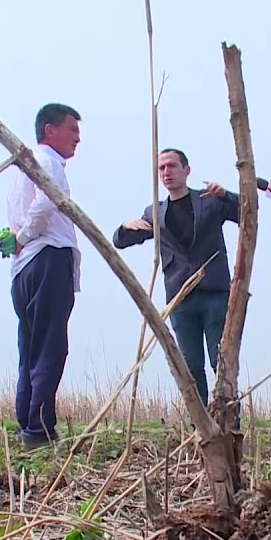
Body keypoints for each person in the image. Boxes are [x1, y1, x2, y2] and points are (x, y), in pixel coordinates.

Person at [112, 148, 240, 412]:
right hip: (180, 298)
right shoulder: (155, 212)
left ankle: (230, 421)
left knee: (222, 361)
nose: (166, 172)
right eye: (161, 169)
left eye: (171, 166)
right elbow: (121, 241)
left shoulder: (210, 201)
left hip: (215, 292)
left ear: (186, 170)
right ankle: (200, 425)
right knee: (190, 366)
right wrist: (125, 228)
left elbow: (248, 211)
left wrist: (226, 195)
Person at [5, 103, 84, 451]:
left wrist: (19, 239)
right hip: (47, 258)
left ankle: (28, 424)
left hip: (24, 269)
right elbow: (49, 200)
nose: (78, 138)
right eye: (72, 129)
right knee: (51, 347)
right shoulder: (47, 161)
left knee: (31, 348)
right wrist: (23, 238)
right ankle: (39, 430)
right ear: (50, 130)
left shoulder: (21, 171)